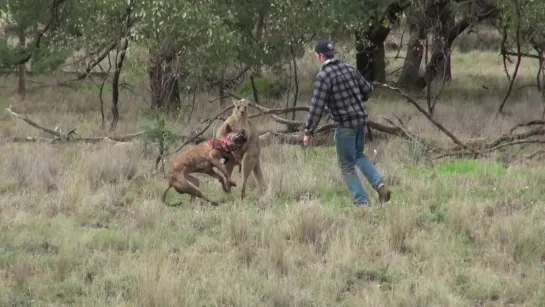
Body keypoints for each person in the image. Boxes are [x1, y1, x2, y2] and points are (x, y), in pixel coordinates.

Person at [303, 40, 391, 207]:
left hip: (345, 126)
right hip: (361, 122)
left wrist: (308, 131)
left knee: (347, 165)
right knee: (358, 155)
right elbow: (368, 91)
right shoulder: (350, 69)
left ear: (321, 56)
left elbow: (316, 107)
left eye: (317, 56)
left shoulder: (324, 77)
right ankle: (380, 187)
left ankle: (362, 203)